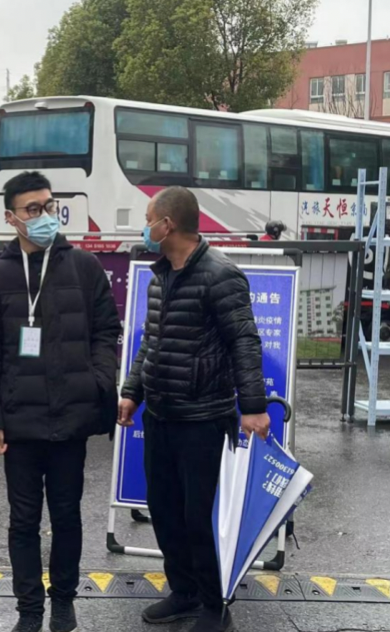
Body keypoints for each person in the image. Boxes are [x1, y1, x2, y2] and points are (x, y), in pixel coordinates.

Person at [0, 171, 121, 632]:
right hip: (19, 421)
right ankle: (29, 609)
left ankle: (64, 602)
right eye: (33, 209)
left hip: (71, 418)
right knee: (23, 521)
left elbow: (106, 331)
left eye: (49, 206)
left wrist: (98, 381)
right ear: (12, 217)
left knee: (67, 515)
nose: (44, 216)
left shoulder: (84, 268)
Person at [118, 187, 270, 632]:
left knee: (199, 517)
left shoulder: (221, 275)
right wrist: (132, 391)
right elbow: (152, 341)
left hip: (203, 418)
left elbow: (244, 341)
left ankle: (213, 604)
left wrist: (253, 406)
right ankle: (183, 592)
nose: (145, 228)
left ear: (167, 225)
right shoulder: (161, 275)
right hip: (161, 415)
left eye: (148, 219)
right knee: (164, 511)